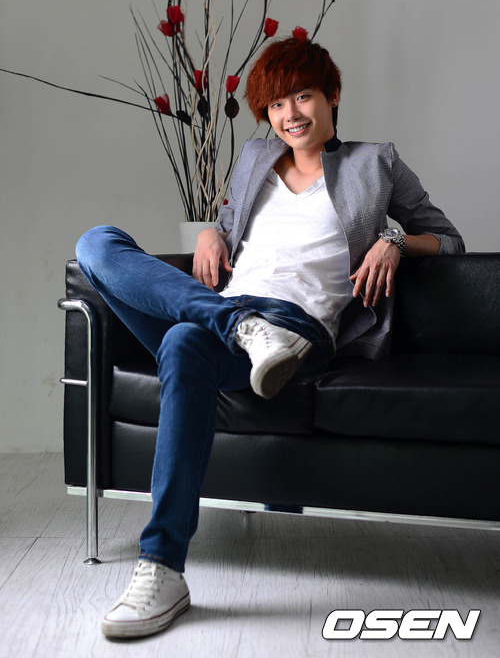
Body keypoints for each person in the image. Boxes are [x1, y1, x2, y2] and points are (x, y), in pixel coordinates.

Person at [75, 37, 465, 639]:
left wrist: (392, 240)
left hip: (295, 330)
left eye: (302, 96)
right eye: (277, 105)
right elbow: (231, 230)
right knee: (96, 242)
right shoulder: (256, 156)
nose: (289, 115)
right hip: (228, 314)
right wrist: (209, 233)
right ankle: (237, 328)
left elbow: (449, 239)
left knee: (180, 342)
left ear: (332, 95)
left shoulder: (375, 162)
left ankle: (161, 564)